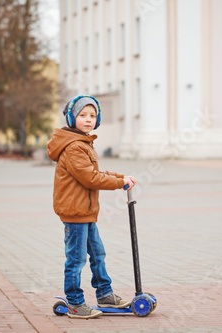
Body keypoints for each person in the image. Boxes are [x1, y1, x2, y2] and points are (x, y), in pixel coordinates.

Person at [47, 95, 136, 319]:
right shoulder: (74, 147)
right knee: (76, 260)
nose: (88, 119)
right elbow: (90, 179)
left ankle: (104, 293)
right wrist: (118, 183)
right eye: (82, 115)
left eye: (92, 115)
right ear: (71, 118)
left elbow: (95, 173)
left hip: (85, 212)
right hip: (75, 213)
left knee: (98, 254)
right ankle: (75, 303)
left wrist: (120, 176)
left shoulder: (83, 143)